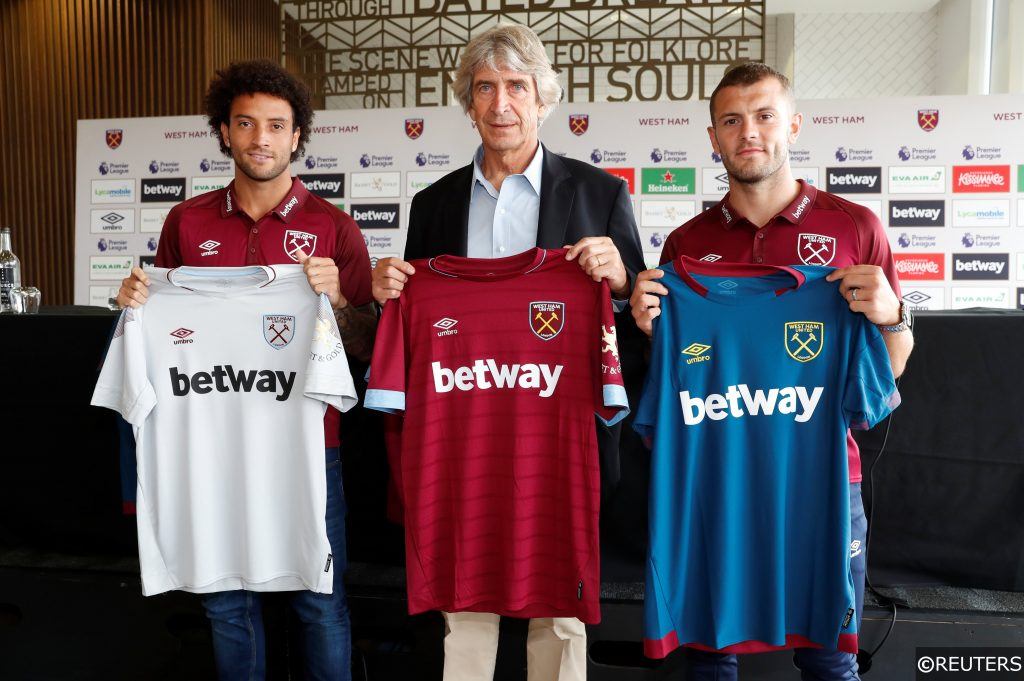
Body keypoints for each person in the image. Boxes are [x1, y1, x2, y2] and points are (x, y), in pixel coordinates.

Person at [370, 23, 644, 681]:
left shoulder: (600, 194)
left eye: (516, 87)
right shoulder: (432, 205)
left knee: (560, 604)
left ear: (543, 99)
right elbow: (418, 325)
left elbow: (639, 323)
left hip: (559, 433)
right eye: (485, 88)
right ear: (468, 103)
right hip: (464, 436)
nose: (501, 104)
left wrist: (624, 280)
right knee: (464, 601)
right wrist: (388, 292)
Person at [629, 62, 913, 681]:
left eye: (763, 116)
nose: (748, 132)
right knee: (710, 654)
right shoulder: (684, 244)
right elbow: (680, 376)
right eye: (731, 120)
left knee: (831, 660)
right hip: (715, 479)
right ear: (713, 137)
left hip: (824, 480)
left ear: (793, 124)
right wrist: (654, 330)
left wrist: (893, 317)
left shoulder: (854, 227)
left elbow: (887, 373)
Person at [115, 60, 376, 681]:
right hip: (212, 443)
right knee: (228, 604)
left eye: (276, 125)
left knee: (320, 603)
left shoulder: (334, 227)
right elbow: (165, 326)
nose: (261, 138)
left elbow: (367, 347)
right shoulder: (187, 221)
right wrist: (136, 303)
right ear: (224, 133)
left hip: (311, 449)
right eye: (246, 123)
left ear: (297, 137)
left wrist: (340, 302)